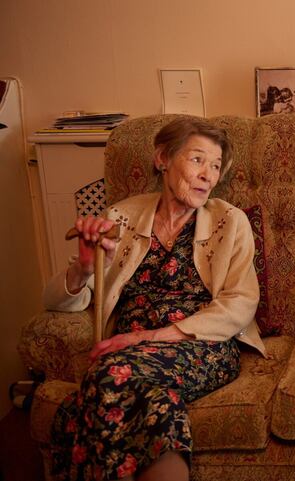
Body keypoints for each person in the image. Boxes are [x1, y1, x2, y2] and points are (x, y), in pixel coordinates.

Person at [44, 117, 265, 481]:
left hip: (201, 344)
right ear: (163, 158)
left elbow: (240, 303)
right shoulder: (121, 217)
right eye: (197, 160)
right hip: (129, 351)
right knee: (156, 402)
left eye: (214, 166)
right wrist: (85, 267)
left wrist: (147, 338)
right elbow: (55, 300)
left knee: (104, 380)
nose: (208, 175)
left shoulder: (230, 220)